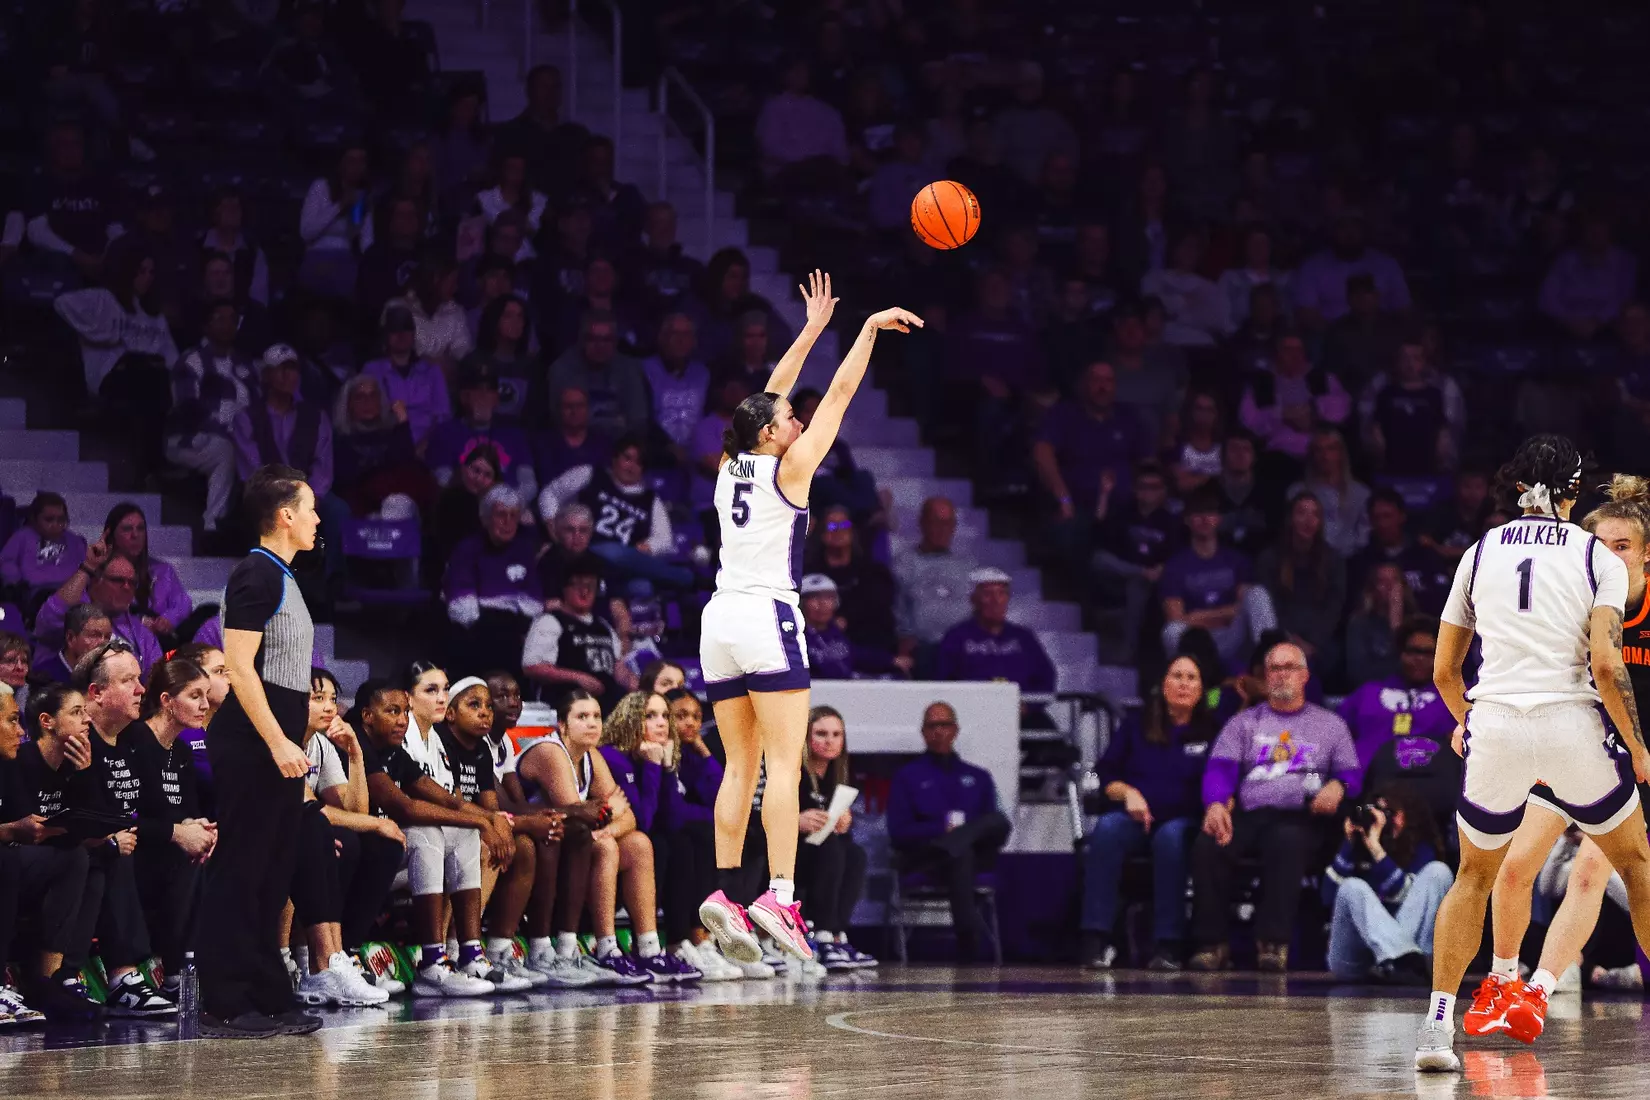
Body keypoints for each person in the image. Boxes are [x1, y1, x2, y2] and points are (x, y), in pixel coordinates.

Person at [697, 272, 921, 965]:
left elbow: (771, 389)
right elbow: (844, 395)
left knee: (740, 766)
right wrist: (863, 332)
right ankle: (782, 897)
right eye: (789, 418)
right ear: (772, 433)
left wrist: (812, 329)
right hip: (767, 615)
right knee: (784, 767)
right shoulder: (789, 470)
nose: (798, 418)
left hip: (719, 622)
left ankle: (726, 891)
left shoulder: (731, 462)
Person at [1415, 436, 1650, 1073]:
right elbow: (1606, 664)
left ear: (1517, 488)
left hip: (1496, 727)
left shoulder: (1477, 551)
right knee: (1636, 863)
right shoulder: (1593, 554)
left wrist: (1469, 722)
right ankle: (1517, 985)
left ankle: (1438, 1032)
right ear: (1571, 494)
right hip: (1571, 724)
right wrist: (1635, 746)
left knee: (1473, 878)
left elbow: (1443, 671)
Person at [195, 464, 326, 1039]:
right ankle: (224, 1000)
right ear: (285, 516)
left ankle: (267, 992)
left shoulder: (285, 577)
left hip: (273, 744)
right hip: (251, 744)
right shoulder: (255, 574)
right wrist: (277, 741)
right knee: (242, 870)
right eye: (311, 508)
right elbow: (240, 667)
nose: (319, 519)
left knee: (272, 873)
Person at [1191, 641, 1359, 972]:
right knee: (1208, 843)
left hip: (1301, 816)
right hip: (1250, 813)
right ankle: (1212, 944)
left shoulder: (1329, 724)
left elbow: (1351, 772)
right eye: (1274, 668)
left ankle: (1273, 943)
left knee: (1286, 842)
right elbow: (1219, 769)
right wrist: (1214, 805)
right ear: (1265, 676)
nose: (1282, 675)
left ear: (1305, 675)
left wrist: (1339, 786)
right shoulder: (1244, 723)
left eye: (1290, 668)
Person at [348, 675, 501, 998]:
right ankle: (431, 961)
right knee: (425, 834)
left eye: (405, 712)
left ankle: (468, 953)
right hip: (356, 848)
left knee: (463, 834)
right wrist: (478, 820)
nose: (402, 720)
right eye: (392, 711)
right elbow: (403, 807)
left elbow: (446, 798)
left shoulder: (393, 749)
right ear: (366, 716)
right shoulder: (357, 741)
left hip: (383, 850)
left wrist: (489, 819)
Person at [526, 687, 687, 983]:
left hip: (572, 842)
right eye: (582, 717)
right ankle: (598, 948)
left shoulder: (591, 755)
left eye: (597, 717)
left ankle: (648, 948)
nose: (592, 723)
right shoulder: (551, 752)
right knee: (607, 847)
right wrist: (605, 812)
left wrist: (609, 825)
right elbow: (578, 812)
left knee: (638, 843)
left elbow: (631, 817)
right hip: (541, 843)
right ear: (562, 725)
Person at [1081, 657, 1215, 971]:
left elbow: (1218, 781)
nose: (1183, 683)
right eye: (1177, 676)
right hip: (1136, 818)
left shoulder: (1212, 728)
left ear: (1201, 689)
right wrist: (1128, 793)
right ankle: (1096, 938)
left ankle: (1169, 943)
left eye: (1191, 678)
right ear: (1163, 684)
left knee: (1170, 839)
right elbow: (1106, 776)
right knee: (1107, 829)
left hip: (1185, 820)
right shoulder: (1135, 724)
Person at [70, 640, 182, 1017]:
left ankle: (184, 968)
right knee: (116, 849)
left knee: (193, 852)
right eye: (128, 681)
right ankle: (123, 978)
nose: (141, 689)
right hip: (85, 852)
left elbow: (157, 811)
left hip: (131, 851)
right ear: (96, 693)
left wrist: (185, 828)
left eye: (139, 679)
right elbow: (83, 820)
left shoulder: (134, 740)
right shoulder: (77, 743)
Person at [436, 677, 556, 991]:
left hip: (470, 827)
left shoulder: (484, 751)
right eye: (475, 705)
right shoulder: (441, 742)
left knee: (516, 846)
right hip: (443, 827)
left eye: (488, 706)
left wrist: (499, 826)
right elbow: (455, 803)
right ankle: (449, 952)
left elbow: (495, 805)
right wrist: (494, 824)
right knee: (478, 846)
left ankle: (489, 950)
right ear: (450, 713)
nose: (486, 713)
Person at [293, 669, 404, 1003]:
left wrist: (355, 751)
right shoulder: (282, 741)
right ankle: (315, 961)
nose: (329, 707)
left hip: (309, 833)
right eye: (318, 698)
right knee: (342, 839)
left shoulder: (321, 745)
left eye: (332, 698)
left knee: (380, 845)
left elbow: (356, 809)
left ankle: (347, 954)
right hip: (278, 836)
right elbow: (311, 807)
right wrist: (377, 824)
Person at [886, 702, 1013, 961]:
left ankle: (954, 844)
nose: (939, 731)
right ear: (923, 732)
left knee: (996, 821)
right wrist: (940, 828)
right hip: (925, 857)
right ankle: (970, 946)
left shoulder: (978, 777)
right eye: (933, 725)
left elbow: (995, 828)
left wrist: (960, 836)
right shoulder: (907, 776)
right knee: (960, 854)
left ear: (955, 730)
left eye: (945, 725)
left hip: (974, 857)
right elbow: (898, 832)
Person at [124, 658, 219, 992]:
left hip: (168, 849)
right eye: (195, 696)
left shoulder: (179, 750)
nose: (205, 705)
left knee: (208, 853)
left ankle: (202, 962)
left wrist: (202, 829)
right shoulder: (135, 740)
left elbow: (187, 811)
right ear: (166, 700)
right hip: (136, 852)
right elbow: (128, 816)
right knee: (183, 858)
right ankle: (179, 967)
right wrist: (181, 833)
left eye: (206, 695)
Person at [598, 691, 706, 980]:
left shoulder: (652, 754)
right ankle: (644, 945)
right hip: (612, 843)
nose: (662, 723)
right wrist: (654, 767)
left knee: (680, 842)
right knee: (653, 842)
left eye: (665, 716)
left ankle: (675, 944)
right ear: (631, 719)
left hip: (638, 843)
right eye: (650, 716)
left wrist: (668, 769)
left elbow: (674, 820)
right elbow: (642, 821)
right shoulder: (613, 757)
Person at [1324, 786, 1453, 983]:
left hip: (1410, 956)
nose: (1382, 819)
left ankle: (1400, 960)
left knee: (1439, 871)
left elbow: (1403, 894)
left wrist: (1377, 851)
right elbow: (1326, 898)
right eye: (1376, 810)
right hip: (1355, 959)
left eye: (1390, 812)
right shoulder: (1356, 846)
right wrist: (1349, 844)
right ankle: (1400, 958)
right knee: (1351, 886)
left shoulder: (1420, 850)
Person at [795, 706, 876, 970]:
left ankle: (838, 934)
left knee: (854, 853)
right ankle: (823, 933)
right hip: (790, 853)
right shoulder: (793, 772)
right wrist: (797, 820)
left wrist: (844, 822)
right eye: (820, 733)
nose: (829, 740)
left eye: (836, 734)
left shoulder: (838, 776)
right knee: (832, 847)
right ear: (806, 738)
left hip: (823, 853)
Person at [1159, 488, 1278, 663]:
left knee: (1258, 593)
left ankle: (1274, 664)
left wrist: (1196, 616)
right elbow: (1175, 617)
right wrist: (1224, 614)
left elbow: (1242, 608)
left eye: (1210, 512)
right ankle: (1184, 678)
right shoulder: (1175, 566)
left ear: (1219, 519)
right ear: (1187, 520)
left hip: (1231, 636)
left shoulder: (1237, 559)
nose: (1205, 519)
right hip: (1196, 640)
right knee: (1171, 631)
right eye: (1198, 513)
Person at [1339, 619, 1455, 769]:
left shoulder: (1453, 697)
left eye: (1429, 653)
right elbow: (1335, 731)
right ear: (1400, 653)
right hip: (1368, 782)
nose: (1419, 659)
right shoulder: (1368, 693)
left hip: (1427, 781)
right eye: (1412, 651)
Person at [521, 553, 633, 708]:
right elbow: (532, 667)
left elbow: (618, 668)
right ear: (565, 588)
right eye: (578, 585)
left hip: (605, 707)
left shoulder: (604, 626)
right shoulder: (549, 621)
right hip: (565, 705)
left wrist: (632, 681)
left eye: (590, 586)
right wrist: (577, 678)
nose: (584, 592)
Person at [37, 542, 164, 675]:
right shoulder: (74, 613)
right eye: (118, 580)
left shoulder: (143, 634)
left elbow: (156, 679)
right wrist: (88, 567)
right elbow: (50, 618)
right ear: (95, 580)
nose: (127, 587)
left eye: (132, 583)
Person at [935, 569, 1057, 694]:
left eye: (1001, 594)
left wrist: (1028, 706)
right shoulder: (956, 637)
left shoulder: (1023, 637)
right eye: (988, 594)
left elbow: (1046, 677)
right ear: (974, 600)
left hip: (1021, 708)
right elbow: (944, 682)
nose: (996, 601)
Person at [893, 497, 978, 675]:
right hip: (925, 649)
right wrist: (904, 638)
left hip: (964, 649)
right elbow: (897, 611)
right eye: (936, 522)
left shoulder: (967, 567)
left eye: (948, 523)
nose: (943, 530)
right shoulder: (904, 564)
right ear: (922, 523)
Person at [100, 504, 193, 644]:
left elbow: (183, 603)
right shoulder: (100, 571)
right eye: (127, 529)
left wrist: (168, 619)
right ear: (111, 534)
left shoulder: (163, 570)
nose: (135, 535)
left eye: (140, 529)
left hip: (159, 643)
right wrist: (140, 622)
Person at [0, 492, 86, 601]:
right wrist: (15, 580)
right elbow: (7, 561)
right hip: (37, 593)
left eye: (61, 520)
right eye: (49, 519)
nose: (55, 524)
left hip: (72, 592)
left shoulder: (74, 540)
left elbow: (86, 567)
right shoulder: (22, 537)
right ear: (34, 519)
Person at [31, 603, 113, 686]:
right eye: (94, 635)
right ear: (70, 638)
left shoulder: (108, 675)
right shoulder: (42, 678)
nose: (103, 643)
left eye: (107, 637)